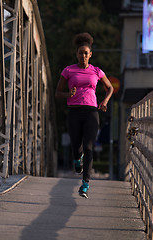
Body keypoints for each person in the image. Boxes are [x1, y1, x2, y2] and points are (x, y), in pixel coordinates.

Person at [55, 32, 114, 198]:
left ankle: (85, 184)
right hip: (74, 111)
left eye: (85, 53)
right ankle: (76, 160)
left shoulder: (96, 71)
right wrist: (69, 94)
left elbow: (110, 88)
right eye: (80, 53)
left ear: (90, 55)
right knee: (76, 146)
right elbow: (57, 93)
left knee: (89, 147)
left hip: (91, 111)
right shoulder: (68, 70)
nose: (83, 56)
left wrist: (104, 102)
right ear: (77, 54)